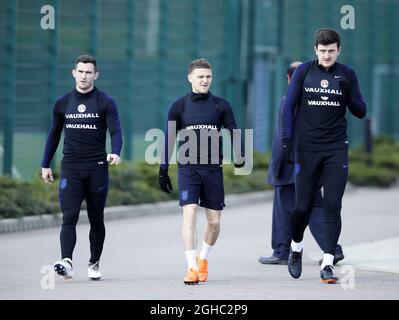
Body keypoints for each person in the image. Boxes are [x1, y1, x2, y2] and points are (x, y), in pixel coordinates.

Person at [281, 29, 366, 283]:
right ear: (315, 50)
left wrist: (348, 93)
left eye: (331, 50)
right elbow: (289, 107)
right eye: (322, 50)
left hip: (336, 148)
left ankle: (328, 262)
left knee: (332, 205)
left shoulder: (347, 74)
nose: (327, 55)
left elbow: (360, 111)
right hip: (307, 149)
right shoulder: (304, 72)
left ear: (338, 50)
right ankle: (296, 248)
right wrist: (287, 141)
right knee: (302, 208)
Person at [158, 58, 244, 285]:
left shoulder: (220, 105)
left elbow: (234, 130)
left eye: (208, 77)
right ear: (190, 78)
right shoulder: (178, 106)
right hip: (188, 169)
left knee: (214, 223)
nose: (205, 80)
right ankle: (191, 268)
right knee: (190, 213)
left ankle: (203, 259)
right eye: (200, 77)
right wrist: (163, 169)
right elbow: (169, 138)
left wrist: (240, 155)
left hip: (213, 169)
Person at [41, 54, 123, 281]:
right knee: (69, 217)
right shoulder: (62, 103)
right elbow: (53, 134)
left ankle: (94, 262)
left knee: (96, 218)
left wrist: (116, 151)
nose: (84, 76)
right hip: (70, 168)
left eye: (89, 72)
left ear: (95, 75)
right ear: (73, 73)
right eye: (81, 71)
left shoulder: (105, 102)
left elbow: (115, 130)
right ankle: (66, 261)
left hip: (97, 168)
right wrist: (45, 164)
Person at [259, 62, 344, 265]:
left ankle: (281, 251)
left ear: (289, 79)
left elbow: (283, 137)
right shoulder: (323, 101)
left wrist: (275, 168)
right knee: (314, 206)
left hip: (290, 164)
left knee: (285, 208)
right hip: (315, 161)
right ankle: (332, 249)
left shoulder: (288, 100)